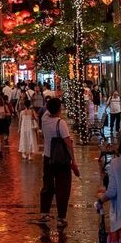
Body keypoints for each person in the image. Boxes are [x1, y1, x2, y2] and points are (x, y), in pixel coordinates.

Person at [39, 97, 80, 229]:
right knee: (63, 188)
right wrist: (73, 161)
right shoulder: (60, 123)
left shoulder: (44, 119)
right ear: (59, 109)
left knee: (48, 185)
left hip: (47, 157)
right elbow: (68, 142)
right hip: (61, 160)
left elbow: (46, 109)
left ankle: (44, 213)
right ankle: (61, 217)